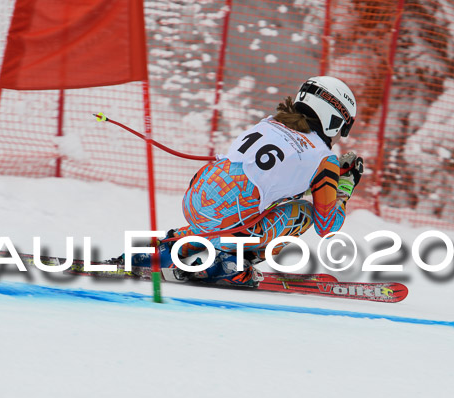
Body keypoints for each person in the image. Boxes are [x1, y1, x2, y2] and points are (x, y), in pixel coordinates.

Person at [129, 76, 364, 286]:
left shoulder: (270, 122)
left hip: (195, 203)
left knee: (244, 205)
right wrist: (345, 184)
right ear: (333, 119)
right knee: (304, 212)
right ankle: (231, 263)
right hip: (236, 223)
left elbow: (282, 177)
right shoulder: (324, 159)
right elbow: (327, 226)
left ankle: (170, 245)